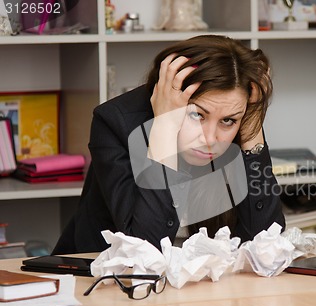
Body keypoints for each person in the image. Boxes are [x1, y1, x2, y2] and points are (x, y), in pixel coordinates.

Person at [52, 35, 285, 254]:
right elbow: (145, 250)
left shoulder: (238, 115)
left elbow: (267, 243)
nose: (210, 138)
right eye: (197, 115)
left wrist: (252, 130)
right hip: (106, 282)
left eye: (227, 121)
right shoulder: (115, 122)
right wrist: (164, 129)